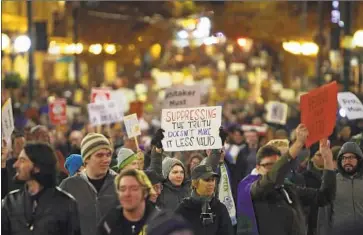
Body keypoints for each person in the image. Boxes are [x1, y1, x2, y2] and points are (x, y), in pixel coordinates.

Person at [237, 124, 336, 235]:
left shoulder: (287, 188)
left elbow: (325, 196)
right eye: (268, 165)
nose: (273, 169)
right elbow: (272, 178)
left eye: (276, 165)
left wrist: (328, 160)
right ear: (258, 167)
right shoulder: (252, 188)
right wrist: (298, 144)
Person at [2, 142, 81, 235]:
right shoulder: (10, 201)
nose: (15, 165)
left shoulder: (66, 203)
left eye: (22, 160)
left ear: (37, 167)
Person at [60, 133, 119, 235]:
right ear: (86, 158)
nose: (106, 160)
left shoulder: (121, 183)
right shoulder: (68, 186)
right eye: (99, 155)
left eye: (108, 154)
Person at [317, 141, 363, 235]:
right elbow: (324, 216)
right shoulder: (331, 182)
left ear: (359, 160)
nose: (347, 161)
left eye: (351, 157)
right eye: (344, 158)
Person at [176, 164, 234, 235]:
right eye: (206, 180)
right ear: (195, 183)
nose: (211, 184)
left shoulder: (220, 208)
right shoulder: (184, 209)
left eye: (213, 180)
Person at [97, 169, 157, 235]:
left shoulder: (160, 222)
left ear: (145, 192)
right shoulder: (108, 223)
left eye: (134, 189)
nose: (127, 194)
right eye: (122, 189)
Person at [150, 129, 191, 211]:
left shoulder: (189, 188)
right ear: (166, 174)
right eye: (175, 172)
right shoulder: (160, 191)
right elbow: (155, 169)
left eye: (182, 172)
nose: (179, 175)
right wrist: (157, 151)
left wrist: (216, 152)